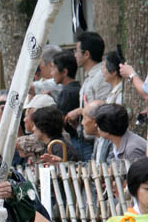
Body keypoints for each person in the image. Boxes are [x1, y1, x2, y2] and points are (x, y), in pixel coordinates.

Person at [65, 32, 110, 160]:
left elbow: (105, 107)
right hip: (89, 137)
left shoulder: (101, 76)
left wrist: (80, 111)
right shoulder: (89, 76)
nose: (75, 55)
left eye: (77, 51)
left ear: (86, 54)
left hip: (99, 138)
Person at [16, 94, 58, 163]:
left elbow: (14, 144)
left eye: (26, 115)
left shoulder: (45, 136)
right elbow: (22, 153)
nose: (24, 120)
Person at [81, 100, 112, 165]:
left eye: (84, 118)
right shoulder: (98, 137)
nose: (82, 122)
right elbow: (93, 165)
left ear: (95, 121)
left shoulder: (112, 140)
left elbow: (111, 169)